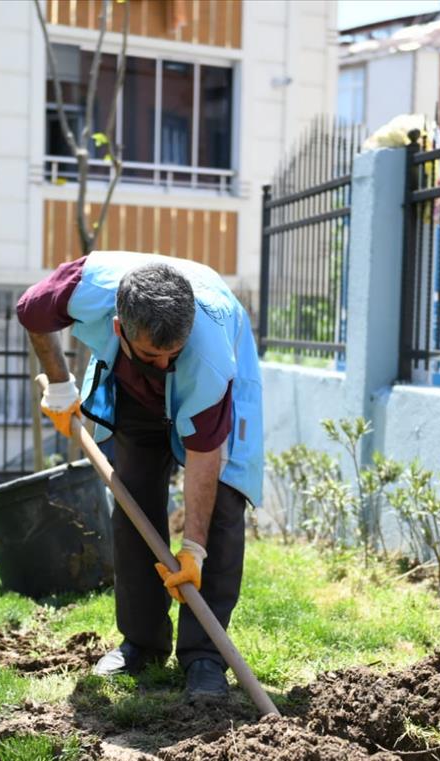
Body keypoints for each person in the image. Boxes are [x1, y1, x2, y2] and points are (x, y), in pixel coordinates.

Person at [16, 252, 263, 701]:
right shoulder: (82, 288)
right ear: (118, 329)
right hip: (131, 391)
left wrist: (192, 550)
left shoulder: (208, 362)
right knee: (132, 503)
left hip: (216, 369)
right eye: (154, 354)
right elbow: (32, 314)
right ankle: (141, 644)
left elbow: (206, 458)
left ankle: (204, 656)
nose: (166, 365)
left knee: (224, 507)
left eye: (175, 354)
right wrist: (59, 384)